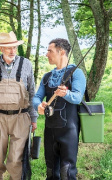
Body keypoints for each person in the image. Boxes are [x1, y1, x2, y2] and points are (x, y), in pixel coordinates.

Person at [0, 31, 38, 180]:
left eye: (14, 47)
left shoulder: (26, 64)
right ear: (1, 48)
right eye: (8, 48)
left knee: (16, 160)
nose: (12, 51)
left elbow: (32, 92)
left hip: (21, 117)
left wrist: (34, 118)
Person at [32, 38, 86, 179]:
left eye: (50, 51)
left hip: (69, 131)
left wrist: (66, 93)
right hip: (50, 131)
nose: (47, 54)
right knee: (51, 171)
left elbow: (78, 97)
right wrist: (38, 105)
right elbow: (36, 97)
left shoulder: (76, 73)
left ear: (61, 52)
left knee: (66, 172)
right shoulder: (47, 77)